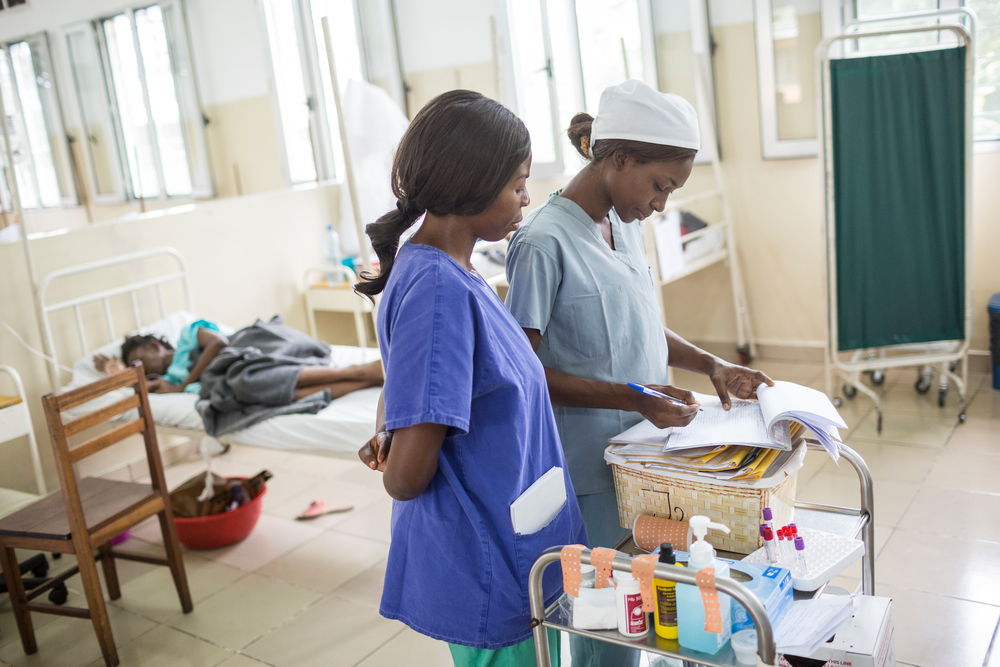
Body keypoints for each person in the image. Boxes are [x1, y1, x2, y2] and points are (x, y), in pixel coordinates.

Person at [504, 80, 773, 665]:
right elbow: (520, 372)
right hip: (589, 470)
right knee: (607, 625)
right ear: (619, 159)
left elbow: (639, 326)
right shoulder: (543, 242)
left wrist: (712, 365)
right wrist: (631, 395)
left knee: (646, 612)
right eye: (659, 186)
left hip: (647, 458)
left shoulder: (624, 225)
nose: (661, 204)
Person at [355, 89, 585, 666]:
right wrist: (400, 445)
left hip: (518, 538)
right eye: (516, 184)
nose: (525, 197)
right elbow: (406, 480)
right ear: (469, 184)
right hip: (490, 558)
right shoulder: (438, 290)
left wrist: (392, 424)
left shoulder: (445, 269)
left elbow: (407, 382)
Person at [94, 318, 383, 399]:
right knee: (271, 392)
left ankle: (357, 371)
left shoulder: (187, 336)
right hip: (229, 380)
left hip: (245, 349)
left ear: (156, 345)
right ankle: (365, 378)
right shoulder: (167, 380)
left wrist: (186, 385)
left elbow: (220, 343)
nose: (139, 367)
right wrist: (115, 373)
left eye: (138, 359)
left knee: (251, 381)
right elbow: (139, 391)